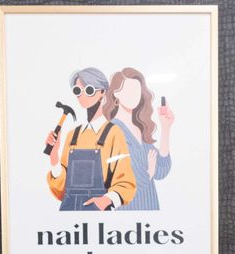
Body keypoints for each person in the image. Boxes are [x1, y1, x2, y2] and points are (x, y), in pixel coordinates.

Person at [45, 67, 137, 211]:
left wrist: (106, 200)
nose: (82, 95)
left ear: (102, 93)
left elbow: (125, 182)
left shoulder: (113, 133)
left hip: (97, 213)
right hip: (69, 211)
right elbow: (61, 191)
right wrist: (54, 157)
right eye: (77, 91)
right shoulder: (72, 135)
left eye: (89, 90)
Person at [106, 67, 173, 211]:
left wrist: (166, 128)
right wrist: (149, 172)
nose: (134, 95)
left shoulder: (140, 128)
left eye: (137, 90)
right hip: (128, 212)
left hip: (150, 207)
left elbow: (161, 171)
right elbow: (127, 182)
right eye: (129, 90)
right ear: (116, 93)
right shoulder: (112, 131)